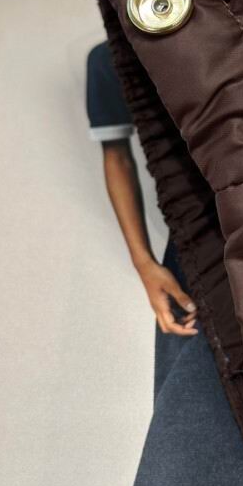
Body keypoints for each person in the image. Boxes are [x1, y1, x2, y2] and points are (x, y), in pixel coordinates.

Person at [85, 42, 199, 396]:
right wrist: (144, 265)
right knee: (186, 398)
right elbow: (116, 158)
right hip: (192, 241)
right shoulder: (107, 60)